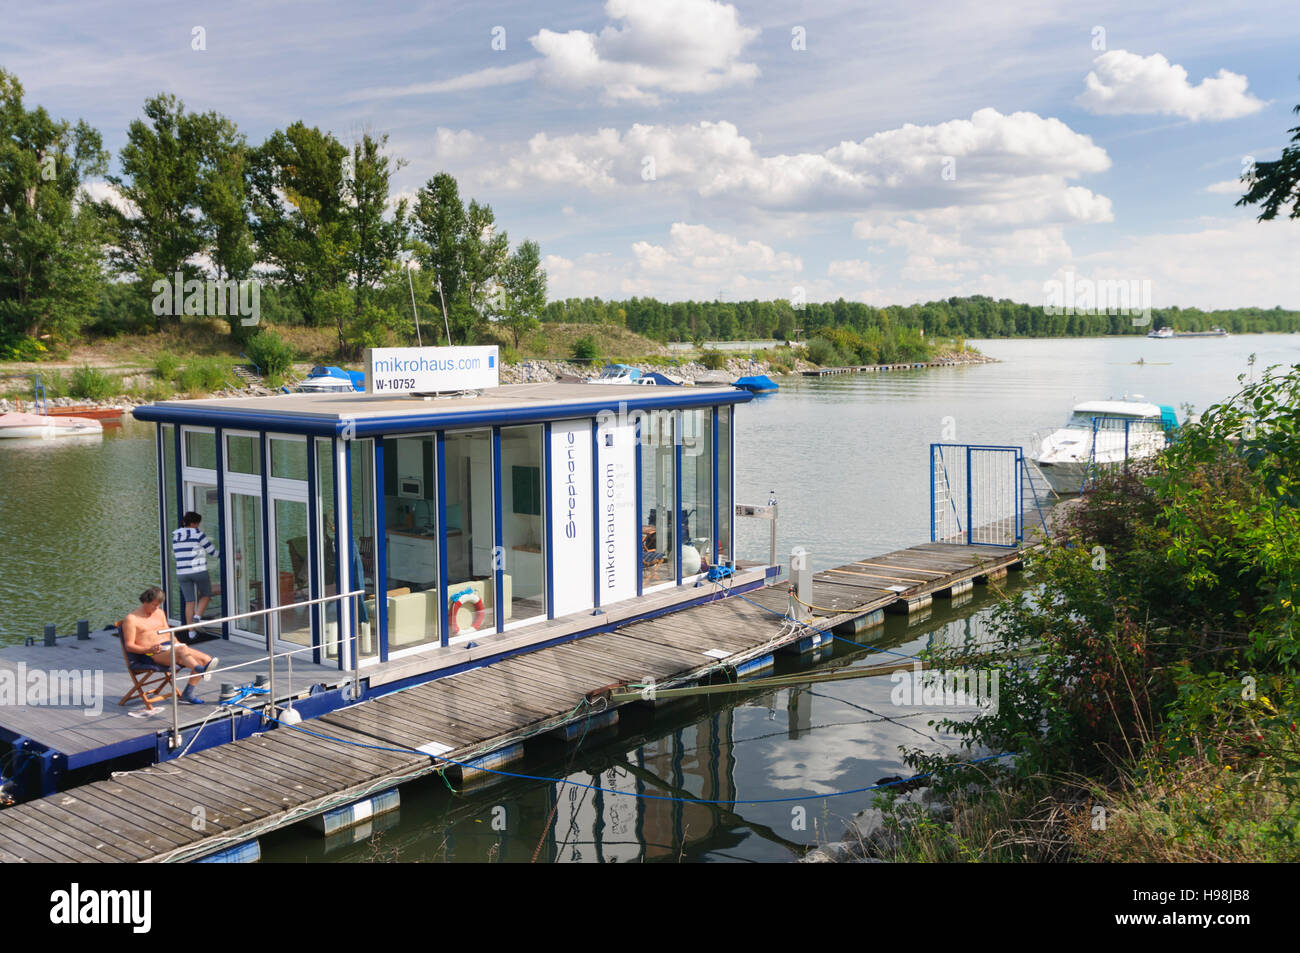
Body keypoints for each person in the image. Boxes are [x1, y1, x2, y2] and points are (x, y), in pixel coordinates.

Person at [122, 587, 217, 705]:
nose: (156, 608)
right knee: (185, 652)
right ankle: (200, 670)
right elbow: (129, 646)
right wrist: (149, 649)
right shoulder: (131, 619)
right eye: (154, 605)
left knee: (206, 659)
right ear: (145, 601)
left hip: (172, 648)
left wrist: (176, 642)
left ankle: (188, 693)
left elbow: (168, 633)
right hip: (151, 653)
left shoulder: (160, 613)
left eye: (158, 605)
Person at [172, 511, 218, 629]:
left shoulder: (176, 536)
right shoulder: (198, 534)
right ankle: (197, 617)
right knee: (206, 594)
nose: (198, 526)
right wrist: (230, 555)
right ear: (193, 524)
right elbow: (212, 552)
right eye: (197, 523)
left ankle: (190, 631)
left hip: (182, 573)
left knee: (189, 601)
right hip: (198, 571)